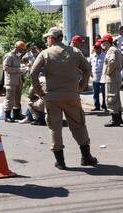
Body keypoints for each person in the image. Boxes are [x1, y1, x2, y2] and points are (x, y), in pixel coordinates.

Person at [30, 27, 98, 170]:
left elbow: (33, 73)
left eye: (47, 38)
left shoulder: (45, 53)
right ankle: (86, 157)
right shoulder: (74, 52)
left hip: (52, 97)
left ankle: (60, 162)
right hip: (71, 95)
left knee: (55, 128)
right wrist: (82, 85)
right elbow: (87, 68)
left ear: (52, 39)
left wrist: (39, 91)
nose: (46, 40)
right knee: (78, 124)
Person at [99, 34, 123, 126]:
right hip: (115, 77)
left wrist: (108, 72)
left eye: (103, 42)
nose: (101, 44)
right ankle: (119, 118)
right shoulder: (115, 49)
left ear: (107, 42)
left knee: (111, 98)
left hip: (112, 78)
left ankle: (115, 119)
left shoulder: (111, 50)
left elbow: (112, 62)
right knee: (116, 99)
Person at [3, 41, 27, 122]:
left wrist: (23, 68)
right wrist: (19, 70)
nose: (22, 52)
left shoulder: (17, 56)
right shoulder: (9, 56)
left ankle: (16, 114)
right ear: (17, 48)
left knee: (17, 98)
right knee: (10, 98)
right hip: (11, 81)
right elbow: (6, 68)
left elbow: (17, 66)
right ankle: (7, 115)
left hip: (18, 80)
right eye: (21, 50)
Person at [90, 41, 106, 111]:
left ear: (101, 48)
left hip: (103, 77)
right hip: (95, 77)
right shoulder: (92, 56)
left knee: (104, 93)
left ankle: (104, 105)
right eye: (95, 48)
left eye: (97, 48)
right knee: (95, 93)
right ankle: (97, 106)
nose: (96, 49)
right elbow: (89, 65)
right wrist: (90, 73)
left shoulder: (104, 56)